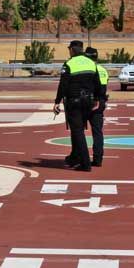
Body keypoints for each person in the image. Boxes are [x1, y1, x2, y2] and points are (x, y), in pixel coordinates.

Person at [53, 40, 101, 172]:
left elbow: (63, 84)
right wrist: (97, 99)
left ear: (72, 50)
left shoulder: (69, 63)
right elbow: (97, 82)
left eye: (69, 49)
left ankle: (85, 163)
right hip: (89, 102)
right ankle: (75, 157)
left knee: (77, 132)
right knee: (79, 131)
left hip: (74, 102)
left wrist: (57, 102)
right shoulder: (91, 63)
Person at [84, 46, 108, 167]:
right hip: (100, 102)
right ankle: (98, 159)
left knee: (78, 132)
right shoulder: (103, 70)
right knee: (98, 132)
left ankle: (80, 156)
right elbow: (104, 86)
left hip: (87, 102)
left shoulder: (88, 70)